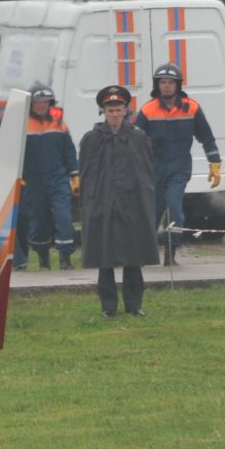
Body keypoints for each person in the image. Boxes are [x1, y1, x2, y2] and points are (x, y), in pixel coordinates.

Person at [78, 85, 160, 317]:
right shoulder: (92, 139)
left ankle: (134, 305)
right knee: (104, 256)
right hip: (103, 204)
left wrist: (145, 200)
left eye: (118, 109)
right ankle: (109, 306)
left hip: (133, 204)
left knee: (134, 255)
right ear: (103, 112)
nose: (114, 114)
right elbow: (86, 174)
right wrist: (91, 202)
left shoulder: (138, 137)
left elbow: (146, 173)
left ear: (126, 110)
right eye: (110, 109)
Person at [134, 62, 221, 265]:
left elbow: (206, 137)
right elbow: (135, 142)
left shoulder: (192, 107)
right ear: (157, 85)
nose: (166, 86)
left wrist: (214, 163)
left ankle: (170, 254)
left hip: (180, 167)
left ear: (178, 85)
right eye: (163, 82)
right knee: (152, 213)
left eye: (170, 82)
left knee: (175, 208)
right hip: (154, 168)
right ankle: (144, 254)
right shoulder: (148, 109)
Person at [22, 85, 80, 270]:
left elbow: (69, 150)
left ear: (50, 103)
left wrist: (74, 174)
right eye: (38, 102)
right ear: (30, 104)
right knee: (39, 221)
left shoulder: (59, 124)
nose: (41, 105)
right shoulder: (22, 125)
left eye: (45, 102)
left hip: (58, 178)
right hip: (33, 182)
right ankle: (43, 259)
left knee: (64, 218)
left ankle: (65, 259)